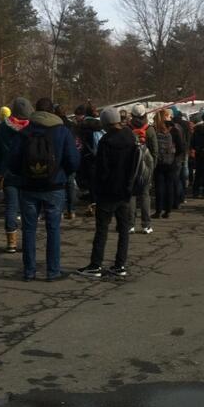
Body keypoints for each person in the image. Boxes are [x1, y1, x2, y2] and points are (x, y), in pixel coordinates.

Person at [9, 97, 79, 281]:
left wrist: (23, 174)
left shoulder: (24, 132)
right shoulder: (62, 131)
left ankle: (29, 271)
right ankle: (53, 271)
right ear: (52, 111)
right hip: (54, 186)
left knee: (29, 229)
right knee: (53, 228)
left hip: (28, 186)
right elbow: (73, 160)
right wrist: (63, 173)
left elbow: (13, 161)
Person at [77, 107, 138, 279]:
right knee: (124, 229)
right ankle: (120, 264)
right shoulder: (130, 136)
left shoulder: (106, 141)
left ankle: (96, 264)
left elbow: (101, 170)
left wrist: (95, 189)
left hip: (108, 191)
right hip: (126, 190)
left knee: (102, 230)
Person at [0, 97, 34, 253]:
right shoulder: (31, 127)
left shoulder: (3, 127)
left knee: (11, 207)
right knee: (28, 208)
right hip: (28, 173)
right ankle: (28, 242)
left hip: (8, 172)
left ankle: (11, 242)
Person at [129, 104, 157, 233]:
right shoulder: (150, 130)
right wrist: (152, 167)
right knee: (145, 195)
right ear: (145, 115)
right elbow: (155, 151)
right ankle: (146, 225)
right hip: (146, 167)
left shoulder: (128, 129)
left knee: (132, 195)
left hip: (132, 166)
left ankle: (130, 224)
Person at [74, 103, 103, 216]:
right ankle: (98, 204)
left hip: (88, 157)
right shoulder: (98, 123)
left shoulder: (81, 126)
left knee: (91, 184)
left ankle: (93, 204)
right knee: (98, 181)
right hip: (98, 156)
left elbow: (79, 143)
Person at [153, 109, 181, 218]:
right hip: (171, 162)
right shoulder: (174, 129)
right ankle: (168, 210)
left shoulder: (155, 129)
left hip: (159, 162)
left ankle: (158, 210)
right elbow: (180, 147)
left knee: (159, 187)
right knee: (170, 186)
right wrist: (174, 156)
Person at [54, 104, 78, 219]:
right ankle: (71, 210)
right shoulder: (72, 125)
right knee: (70, 185)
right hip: (70, 156)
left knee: (60, 186)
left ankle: (60, 210)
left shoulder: (55, 126)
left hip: (58, 159)